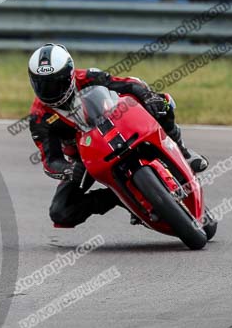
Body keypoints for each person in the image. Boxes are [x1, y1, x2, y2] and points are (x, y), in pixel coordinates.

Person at [27, 43, 209, 228]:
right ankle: (119, 196)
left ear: (70, 74)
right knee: (60, 212)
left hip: (117, 125)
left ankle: (183, 151)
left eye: (56, 82)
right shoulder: (39, 118)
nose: (50, 90)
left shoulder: (88, 77)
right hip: (85, 159)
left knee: (162, 103)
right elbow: (51, 160)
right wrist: (67, 169)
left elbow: (128, 84)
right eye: (42, 84)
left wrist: (148, 96)